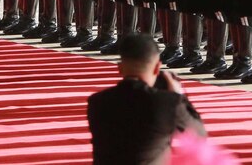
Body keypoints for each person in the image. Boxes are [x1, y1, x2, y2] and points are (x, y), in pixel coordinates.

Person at [87, 33, 205, 165]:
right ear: (157, 68)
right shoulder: (166, 103)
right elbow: (199, 134)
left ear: (119, 68)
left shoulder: (97, 102)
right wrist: (180, 97)